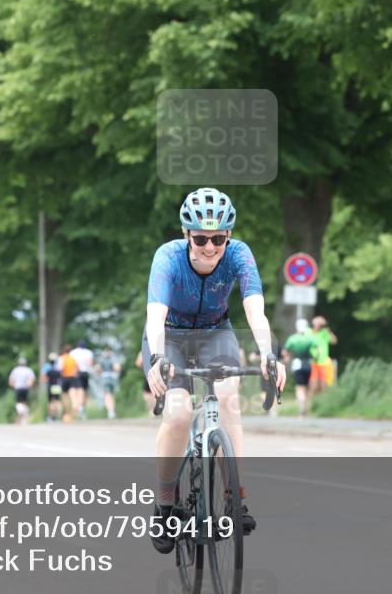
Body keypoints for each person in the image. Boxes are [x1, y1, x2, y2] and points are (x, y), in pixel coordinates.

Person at [142, 187, 286, 554]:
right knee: (177, 414)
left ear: (229, 236)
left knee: (228, 399)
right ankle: (164, 504)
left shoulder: (239, 254)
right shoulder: (168, 257)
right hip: (169, 338)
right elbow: (155, 315)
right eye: (202, 238)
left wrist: (268, 354)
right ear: (186, 234)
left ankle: (235, 497)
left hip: (215, 333)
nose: (210, 247)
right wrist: (158, 358)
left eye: (218, 238)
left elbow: (254, 308)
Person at [283, 318, 317, 417]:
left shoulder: (293, 338)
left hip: (297, 363)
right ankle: (305, 408)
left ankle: (301, 407)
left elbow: (286, 352)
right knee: (306, 387)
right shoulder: (310, 338)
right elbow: (317, 350)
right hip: (308, 364)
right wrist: (315, 358)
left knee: (299, 387)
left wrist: (287, 359)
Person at [309, 315, 337, 399]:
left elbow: (334, 341)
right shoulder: (309, 332)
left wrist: (328, 331)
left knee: (323, 385)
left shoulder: (324, 333)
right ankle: (310, 404)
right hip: (312, 362)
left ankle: (321, 403)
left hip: (323, 362)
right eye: (318, 324)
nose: (320, 326)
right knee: (313, 385)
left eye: (321, 324)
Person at [70, 340, 94, 418]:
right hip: (85, 372)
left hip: (76, 372)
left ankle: (78, 406)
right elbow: (90, 363)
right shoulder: (89, 352)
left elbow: (71, 364)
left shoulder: (73, 352)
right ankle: (82, 407)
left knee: (77, 390)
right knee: (84, 390)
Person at [8, 357, 36, 425]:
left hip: (18, 388)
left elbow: (11, 381)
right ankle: (24, 416)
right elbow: (32, 379)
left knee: (18, 402)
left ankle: (20, 416)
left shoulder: (15, 370)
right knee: (24, 402)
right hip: (25, 388)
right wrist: (31, 386)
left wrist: (13, 386)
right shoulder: (28, 370)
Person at [95, 347, 120, 419]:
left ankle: (110, 411)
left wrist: (98, 374)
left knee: (107, 395)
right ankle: (112, 410)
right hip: (113, 378)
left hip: (105, 378)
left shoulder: (101, 359)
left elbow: (97, 368)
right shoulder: (114, 358)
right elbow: (117, 368)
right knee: (111, 395)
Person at [57, 345, 80, 422]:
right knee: (73, 394)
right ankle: (74, 407)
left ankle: (66, 413)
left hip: (65, 377)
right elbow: (77, 368)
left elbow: (61, 368)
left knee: (65, 396)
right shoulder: (73, 359)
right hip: (72, 377)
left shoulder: (62, 358)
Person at [42, 352, 64, 422]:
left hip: (50, 386)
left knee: (51, 402)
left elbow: (43, 378)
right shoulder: (58, 368)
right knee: (57, 401)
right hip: (57, 386)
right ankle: (58, 417)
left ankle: (51, 417)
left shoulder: (47, 367)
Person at [135, 351, 156, 415]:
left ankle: (153, 409)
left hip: (149, 373)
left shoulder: (143, 351)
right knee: (152, 392)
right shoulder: (156, 349)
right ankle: (154, 409)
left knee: (148, 394)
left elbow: (138, 363)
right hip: (153, 373)